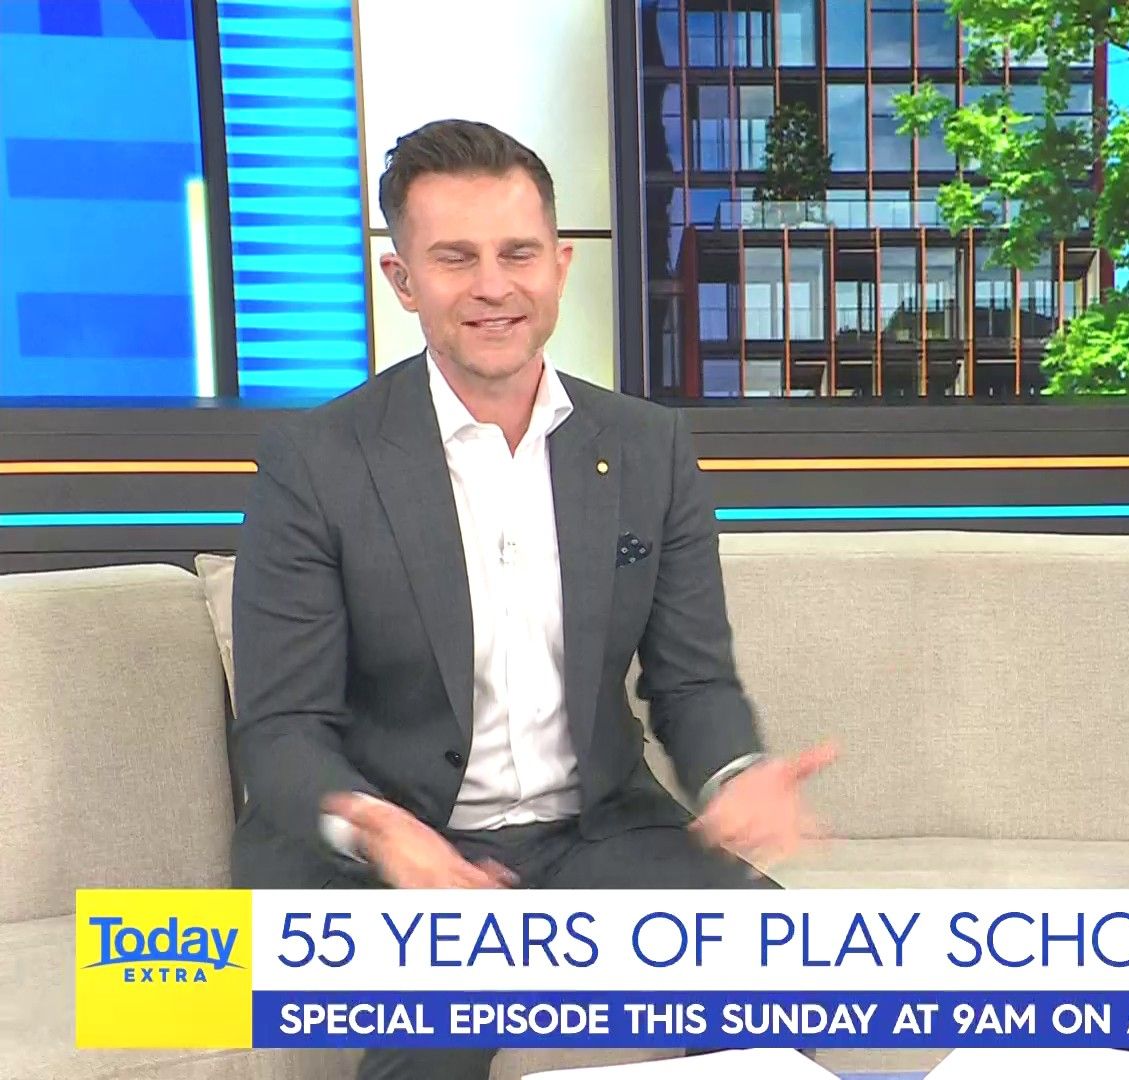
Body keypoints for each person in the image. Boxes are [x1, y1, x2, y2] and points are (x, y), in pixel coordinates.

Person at [226, 119, 834, 1080]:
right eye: (455, 259)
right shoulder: (315, 463)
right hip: (395, 844)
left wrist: (734, 774)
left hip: (595, 832)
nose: (493, 287)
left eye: (517, 254)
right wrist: (382, 831)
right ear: (402, 280)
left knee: (774, 972)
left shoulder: (648, 448)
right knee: (433, 1031)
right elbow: (281, 730)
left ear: (559, 264)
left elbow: (692, 681)